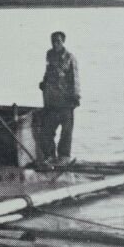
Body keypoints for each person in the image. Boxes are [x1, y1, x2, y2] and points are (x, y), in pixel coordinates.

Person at [39, 31, 80, 166]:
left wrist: (75, 97)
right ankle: (50, 156)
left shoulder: (69, 58)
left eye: (58, 41)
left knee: (66, 132)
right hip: (51, 101)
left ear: (63, 42)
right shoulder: (50, 55)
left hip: (66, 101)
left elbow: (75, 79)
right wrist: (44, 83)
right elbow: (48, 72)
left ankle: (63, 157)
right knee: (47, 130)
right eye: (53, 41)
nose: (55, 44)